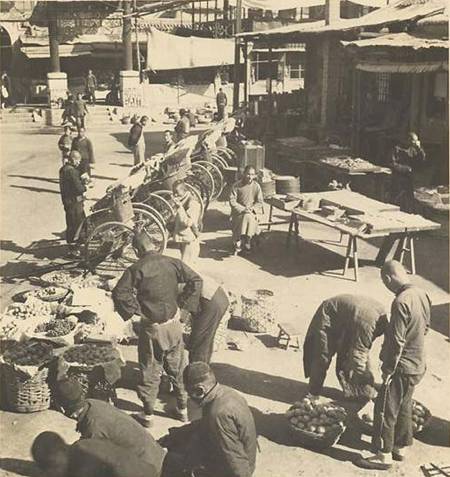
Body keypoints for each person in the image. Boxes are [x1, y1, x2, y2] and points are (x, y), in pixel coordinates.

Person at [112, 231, 202, 428]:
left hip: (152, 329)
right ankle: (183, 411)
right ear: (153, 244)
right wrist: (185, 308)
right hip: (174, 325)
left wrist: (135, 313)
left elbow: (119, 293)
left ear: (136, 250)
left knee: (150, 370)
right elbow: (196, 280)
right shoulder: (172, 262)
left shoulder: (137, 268)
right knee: (178, 368)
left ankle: (148, 415)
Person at [359, 261, 431, 470]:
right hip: (418, 364)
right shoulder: (422, 294)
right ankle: (401, 446)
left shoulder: (400, 302)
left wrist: (388, 368)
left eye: (385, 283)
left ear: (388, 279)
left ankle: (383, 455)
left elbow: (397, 341)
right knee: (405, 405)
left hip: (402, 366)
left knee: (385, 409)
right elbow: (426, 327)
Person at [160, 362, 257, 477]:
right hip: (237, 452)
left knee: (173, 463)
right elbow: (204, 423)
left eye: (189, 392)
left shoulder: (218, 414)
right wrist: (174, 435)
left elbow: (235, 458)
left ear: (200, 390)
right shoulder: (224, 393)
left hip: (235, 468)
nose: (189, 397)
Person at [54, 378, 166, 474]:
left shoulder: (93, 427)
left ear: (64, 409)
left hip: (149, 469)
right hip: (157, 456)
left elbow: (88, 455)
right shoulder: (93, 403)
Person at [303, 294, 388, 396]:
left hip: (350, 319)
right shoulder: (368, 324)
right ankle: (313, 393)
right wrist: (370, 383)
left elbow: (380, 347)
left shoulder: (384, 321)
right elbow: (359, 355)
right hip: (328, 315)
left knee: (346, 355)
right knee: (322, 356)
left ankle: (352, 391)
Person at [32, 431, 157, 477]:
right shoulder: (82, 444)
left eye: (53, 466)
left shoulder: (85, 469)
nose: (50, 474)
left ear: (63, 450)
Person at [188, 275, 229, 363]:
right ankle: (203, 366)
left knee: (200, 340)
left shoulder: (170, 282)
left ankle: (197, 371)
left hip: (213, 302)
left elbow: (181, 315)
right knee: (206, 337)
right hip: (217, 296)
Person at [229, 165, 264, 254]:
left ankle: (244, 240)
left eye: (252, 174)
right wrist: (243, 209)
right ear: (244, 174)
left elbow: (260, 202)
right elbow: (232, 201)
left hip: (251, 212)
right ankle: (245, 240)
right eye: (248, 174)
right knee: (246, 217)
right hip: (239, 213)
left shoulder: (256, 186)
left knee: (249, 216)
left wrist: (252, 208)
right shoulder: (236, 186)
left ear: (255, 175)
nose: (250, 177)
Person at [390, 131, 426, 213]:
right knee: (398, 198)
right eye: (413, 140)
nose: (415, 142)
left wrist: (419, 149)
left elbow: (421, 161)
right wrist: (405, 168)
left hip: (409, 178)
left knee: (410, 198)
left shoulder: (413, 149)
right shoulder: (397, 149)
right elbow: (392, 163)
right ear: (407, 140)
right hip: (398, 177)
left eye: (416, 140)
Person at [59, 150, 86, 255]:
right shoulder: (72, 171)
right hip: (74, 202)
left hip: (68, 201)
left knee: (72, 223)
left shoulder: (63, 169)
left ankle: (75, 245)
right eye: (78, 160)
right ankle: (74, 250)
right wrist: (86, 187)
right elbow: (79, 189)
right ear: (73, 159)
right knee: (76, 225)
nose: (79, 163)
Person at [172, 179, 202, 266]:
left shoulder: (192, 203)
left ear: (184, 190)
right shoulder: (183, 200)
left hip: (190, 240)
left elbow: (188, 223)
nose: (175, 195)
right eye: (173, 192)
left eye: (177, 192)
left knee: (187, 266)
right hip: (185, 239)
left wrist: (180, 208)